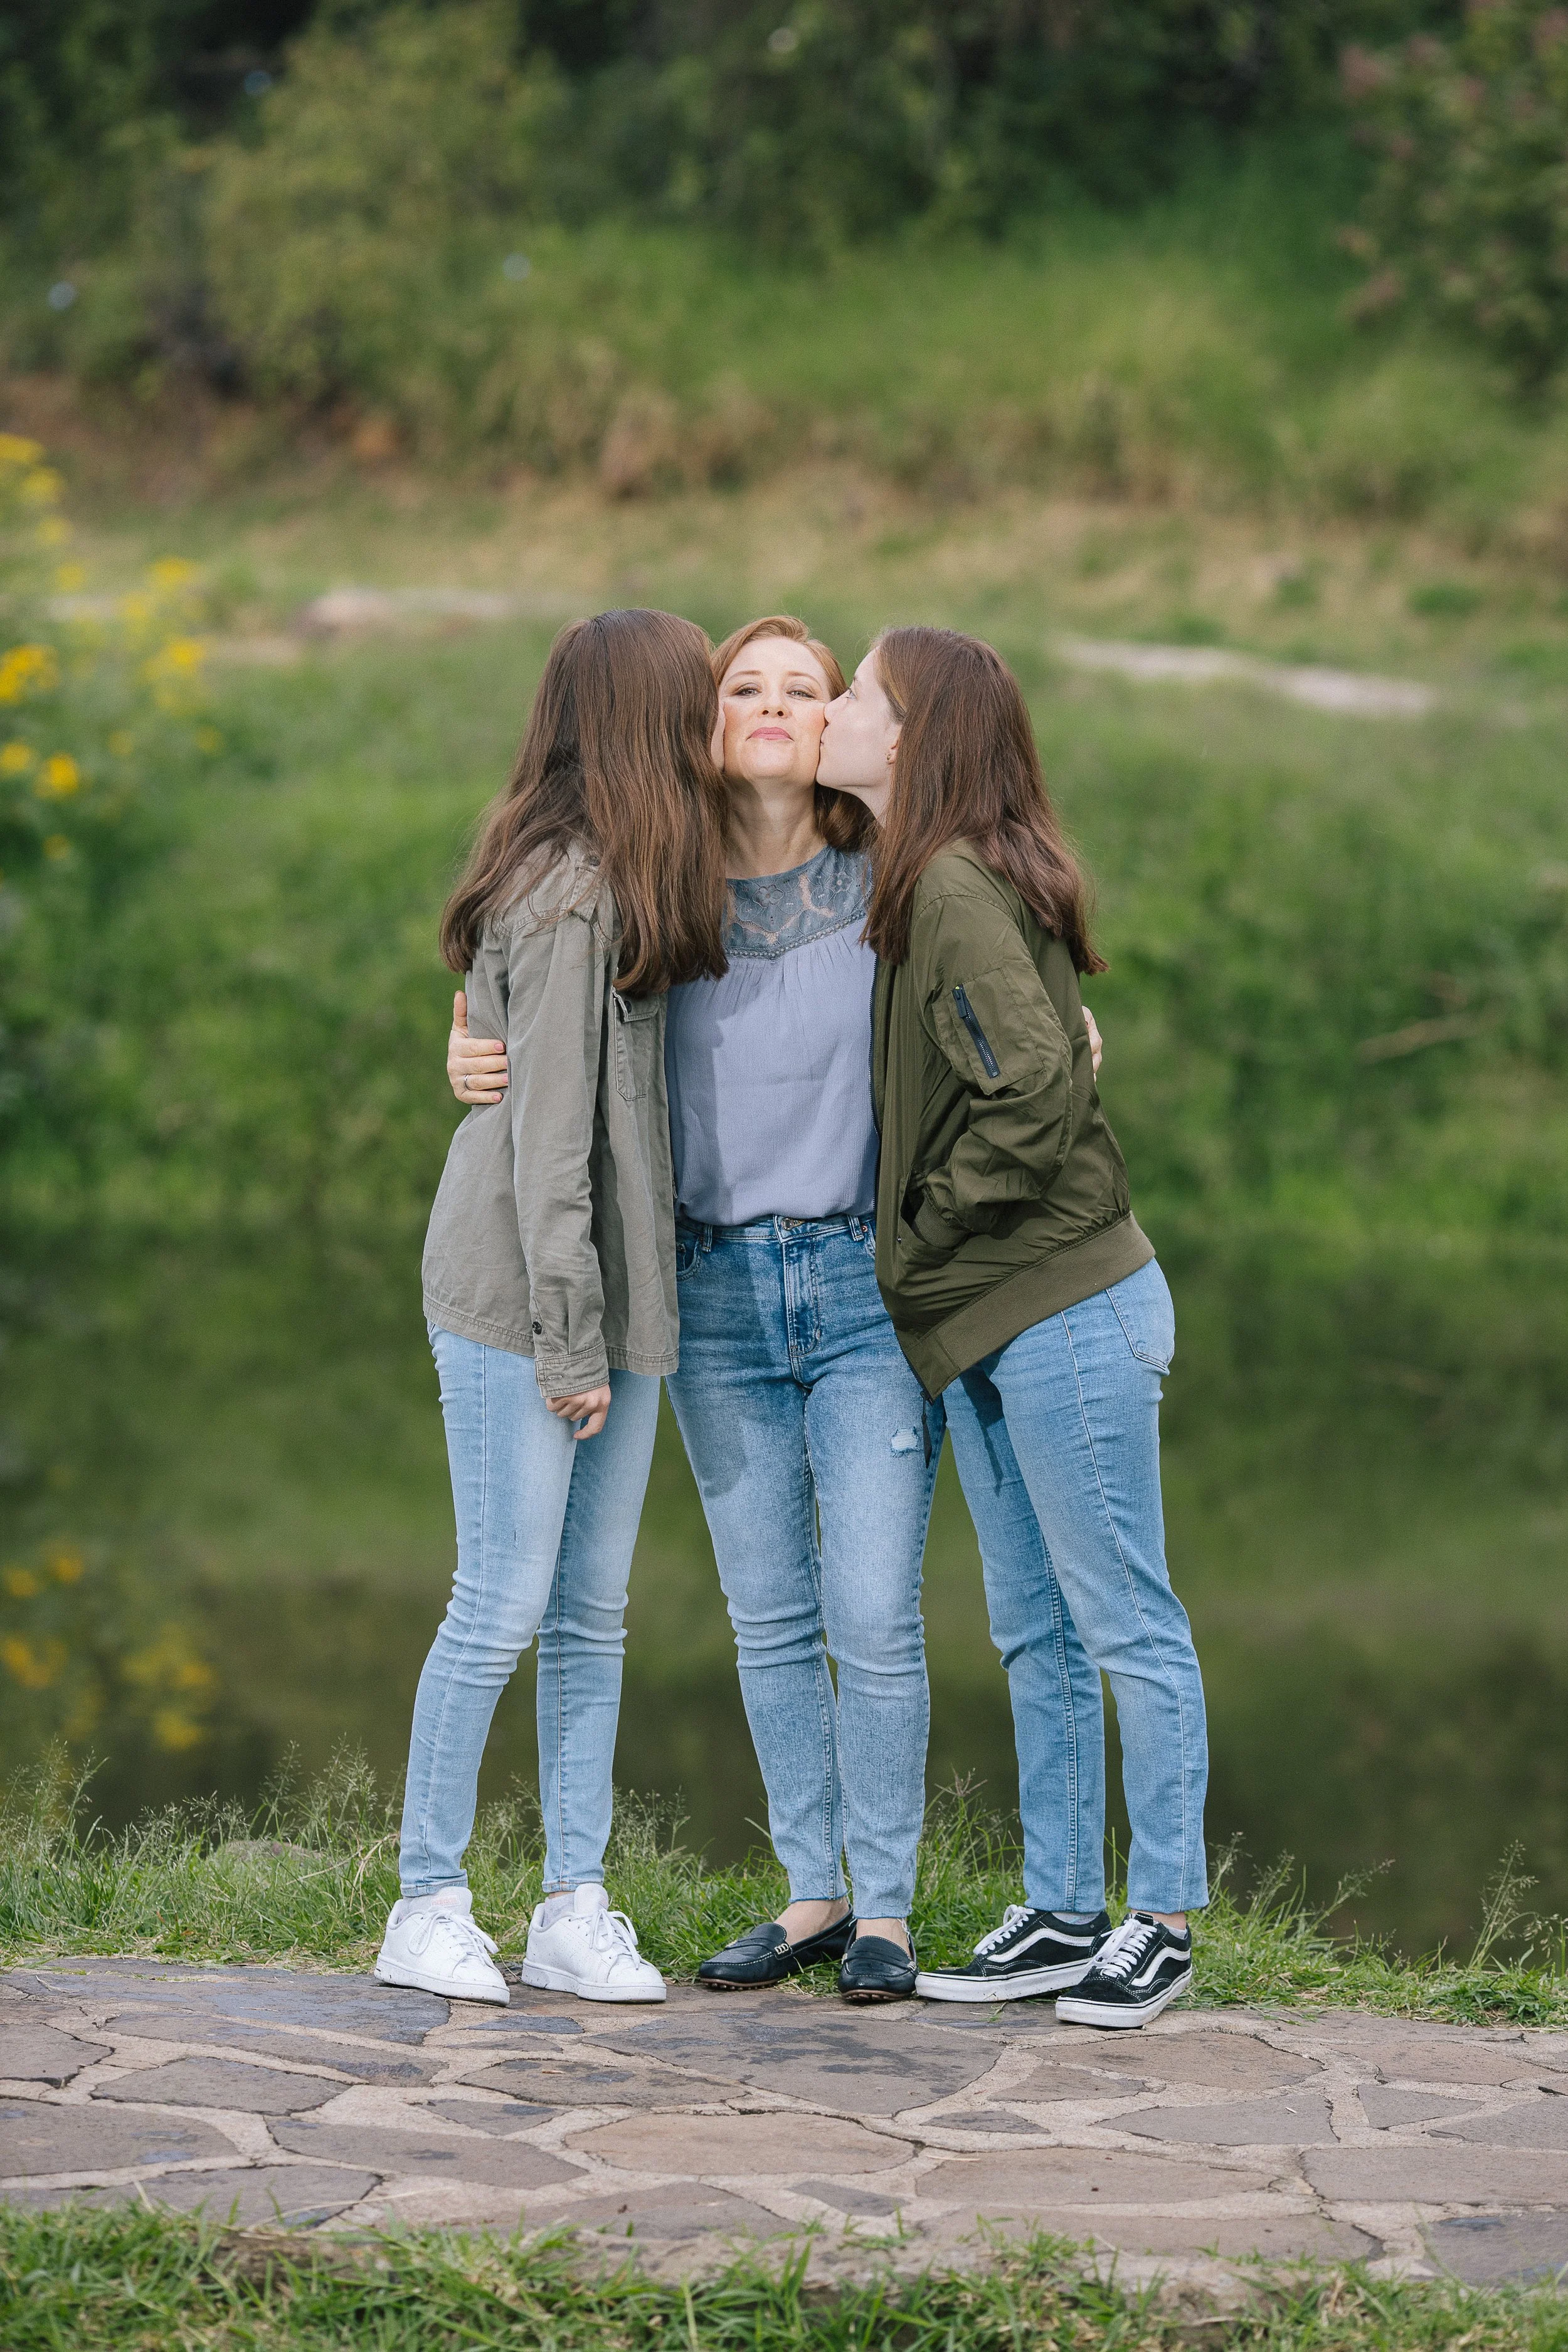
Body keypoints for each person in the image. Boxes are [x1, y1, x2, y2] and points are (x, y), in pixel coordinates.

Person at [450, 616, 940, 2002]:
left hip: (857, 1286)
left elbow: (997, 957)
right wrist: (465, 1022)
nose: (777, 705)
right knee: (768, 1613)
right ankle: (814, 1894)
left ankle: (890, 1908)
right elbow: (518, 955)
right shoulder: (655, 883)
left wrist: (1071, 1018)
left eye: (805, 686)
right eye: (744, 686)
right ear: (703, 722)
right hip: (708, 1288)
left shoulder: (888, 878)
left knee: (871, 1608)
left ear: (833, 724)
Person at [815, 625, 1208, 2030]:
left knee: (1122, 1620)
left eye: (857, 692)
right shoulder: (924, 879)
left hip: (1063, 1305)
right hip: (992, 1316)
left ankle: (1157, 1916)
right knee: (1033, 1628)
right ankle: (1059, 1909)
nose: (836, 707)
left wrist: (916, 1232)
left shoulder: (953, 888)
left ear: (915, 739)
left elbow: (1033, 1097)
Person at [376, 608, 728, 2008]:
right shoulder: (570, 893)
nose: (711, 729)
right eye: (695, 704)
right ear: (646, 726)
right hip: (526, 1299)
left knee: (592, 1610)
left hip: (613, 1299)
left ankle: (571, 1903)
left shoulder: (625, 883)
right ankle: (424, 1900)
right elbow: (549, 1147)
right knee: (501, 1599)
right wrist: (575, 1349)